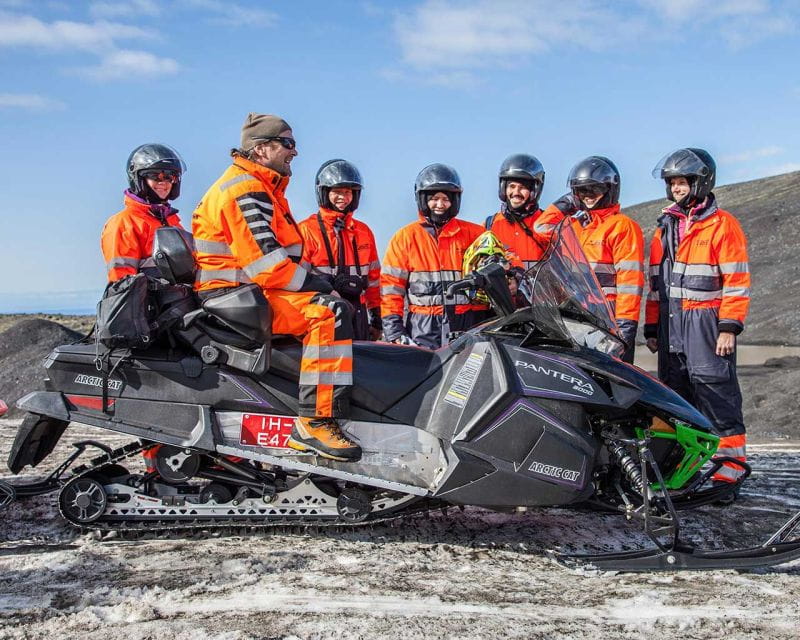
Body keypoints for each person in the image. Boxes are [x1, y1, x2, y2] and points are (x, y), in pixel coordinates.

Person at [192, 113, 360, 462]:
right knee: (328, 314)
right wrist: (322, 288)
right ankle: (314, 422)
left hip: (248, 292)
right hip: (234, 296)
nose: (294, 152)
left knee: (333, 305)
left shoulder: (262, 186)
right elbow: (267, 266)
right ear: (262, 148)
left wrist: (320, 282)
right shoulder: (244, 188)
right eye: (287, 144)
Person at [645, 148, 749, 489]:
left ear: (701, 182)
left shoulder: (723, 225)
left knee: (717, 398)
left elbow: (736, 280)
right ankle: (681, 474)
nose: (676, 188)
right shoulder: (664, 229)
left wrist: (728, 327)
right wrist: (651, 325)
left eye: (682, 182)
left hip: (706, 326)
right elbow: (656, 286)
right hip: (670, 327)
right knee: (676, 401)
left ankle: (728, 475)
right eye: (672, 183)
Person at [381, 164, 489, 349]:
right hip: (423, 329)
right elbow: (391, 289)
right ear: (423, 199)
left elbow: (506, 257)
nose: (440, 205)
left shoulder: (476, 233)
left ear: (455, 201)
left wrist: (512, 273)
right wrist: (394, 331)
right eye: (435, 199)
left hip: (471, 325)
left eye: (446, 199)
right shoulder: (404, 238)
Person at [552, 156, 644, 363]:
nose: (588, 196)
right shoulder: (574, 226)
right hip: (578, 316)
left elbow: (630, 283)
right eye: (581, 190)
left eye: (594, 189)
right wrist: (564, 203)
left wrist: (625, 326)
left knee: (613, 385)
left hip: (608, 319)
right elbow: (541, 228)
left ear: (610, 189)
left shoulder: (622, 226)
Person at [298, 159, 381, 341]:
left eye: (348, 192)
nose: (343, 197)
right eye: (337, 192)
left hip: (358, 315)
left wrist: (376, 320)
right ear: (324, 192)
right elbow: (297, 281)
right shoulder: (306, 231)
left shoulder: (364, 232)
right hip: (324, 313)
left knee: (362, 367)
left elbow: (374, 282)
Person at [101, 143, 186, 283]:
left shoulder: (172, 221)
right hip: (154, 303)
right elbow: (122, 284)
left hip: (184, 301)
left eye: (170, 177)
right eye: (155, 176)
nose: (163, 182)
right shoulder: (123, 223)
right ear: (139, 179)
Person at [485, 154, 563, 270]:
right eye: (511, 186)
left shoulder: (546, 224)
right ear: (503, 188)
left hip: (538, 288)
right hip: (505, 288)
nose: (516, 192)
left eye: (522, 188)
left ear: (534, 191)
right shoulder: (489, 225)